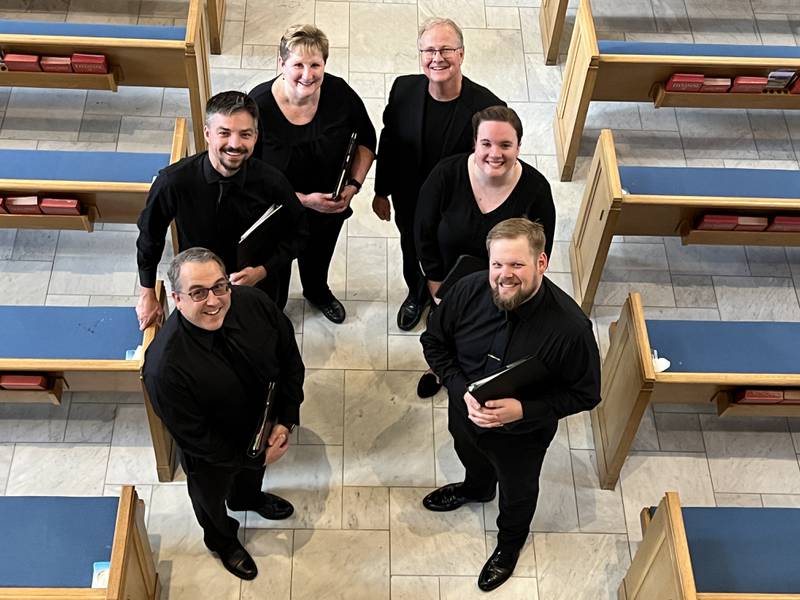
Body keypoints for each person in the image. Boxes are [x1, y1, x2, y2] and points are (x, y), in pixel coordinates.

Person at [420, 218, 600, 592]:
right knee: (468, 452)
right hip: (465, 413)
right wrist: (459, 390)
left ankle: (510, 543)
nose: (504, 275)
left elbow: (586, 393)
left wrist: (524, 411)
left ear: (542, 263)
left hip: (523, 436)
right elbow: (434, 343)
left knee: (518, 492)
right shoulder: (469, 290)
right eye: (497, 264)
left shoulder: (571, 329)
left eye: (517, 265)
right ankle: (476, 489)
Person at [142, 247, 304, 581]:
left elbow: (289, 356)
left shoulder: (252, 303)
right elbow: (196, 437)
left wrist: (285, 419)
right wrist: (257, 459)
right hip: (211, 453)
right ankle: (223, 540)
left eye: (219, 286)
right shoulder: (165, 367)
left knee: (248, 480)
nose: (214, 301)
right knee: (211, 500)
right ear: (176, 298)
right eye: (198, 293)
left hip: (264, 422)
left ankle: (246, 498)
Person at [373, 17, 505, 331]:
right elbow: (389, 140)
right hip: (410, 199)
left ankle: (444, 304)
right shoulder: (404, 89)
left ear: (461, 54)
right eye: (429, 50)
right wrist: (381, 190)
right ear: (420, 55)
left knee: (449, 255)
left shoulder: (487, 108)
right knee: (411, 247)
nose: (437, 58)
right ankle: (416, 295)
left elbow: (497, 162)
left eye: (446, 49)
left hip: (456, 206)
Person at [414, 106, 556, 398]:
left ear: (519, 146)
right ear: (474, 144)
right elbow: (423, 230)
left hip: (504, 284)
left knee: (486, 333)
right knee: (443, 325)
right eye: (486, 144)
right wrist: (435, 281)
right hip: (447, 281)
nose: (495, 153)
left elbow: (542, 248)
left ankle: (478, 370)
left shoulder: (536, 188)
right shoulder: (447, 174)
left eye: (506, 145)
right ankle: (438, 368)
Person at [135, 90, 307, 330]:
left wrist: (262, 271)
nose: (235, 144)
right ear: (207, 133)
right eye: (224, 133)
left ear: (256, 136)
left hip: (259, 287)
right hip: (199, 290)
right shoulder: (173, 181)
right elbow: (149, 236)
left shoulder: (273, 182)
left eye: (245, 134)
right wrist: (147, 293)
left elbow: (301, 233)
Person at [250, 24, 376, 324]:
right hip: (277, 209)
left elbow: (367, 141)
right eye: (298, 65)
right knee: (274, 271)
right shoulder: (258, 106)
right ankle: (273, 311)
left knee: (318, 258)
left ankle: (317, 291)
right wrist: (305, 200)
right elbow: (249, 176)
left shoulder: (340, 94)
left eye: (315, 65)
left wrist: (354, 185)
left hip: (328, 207)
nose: (307, 74)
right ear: (281, 64)